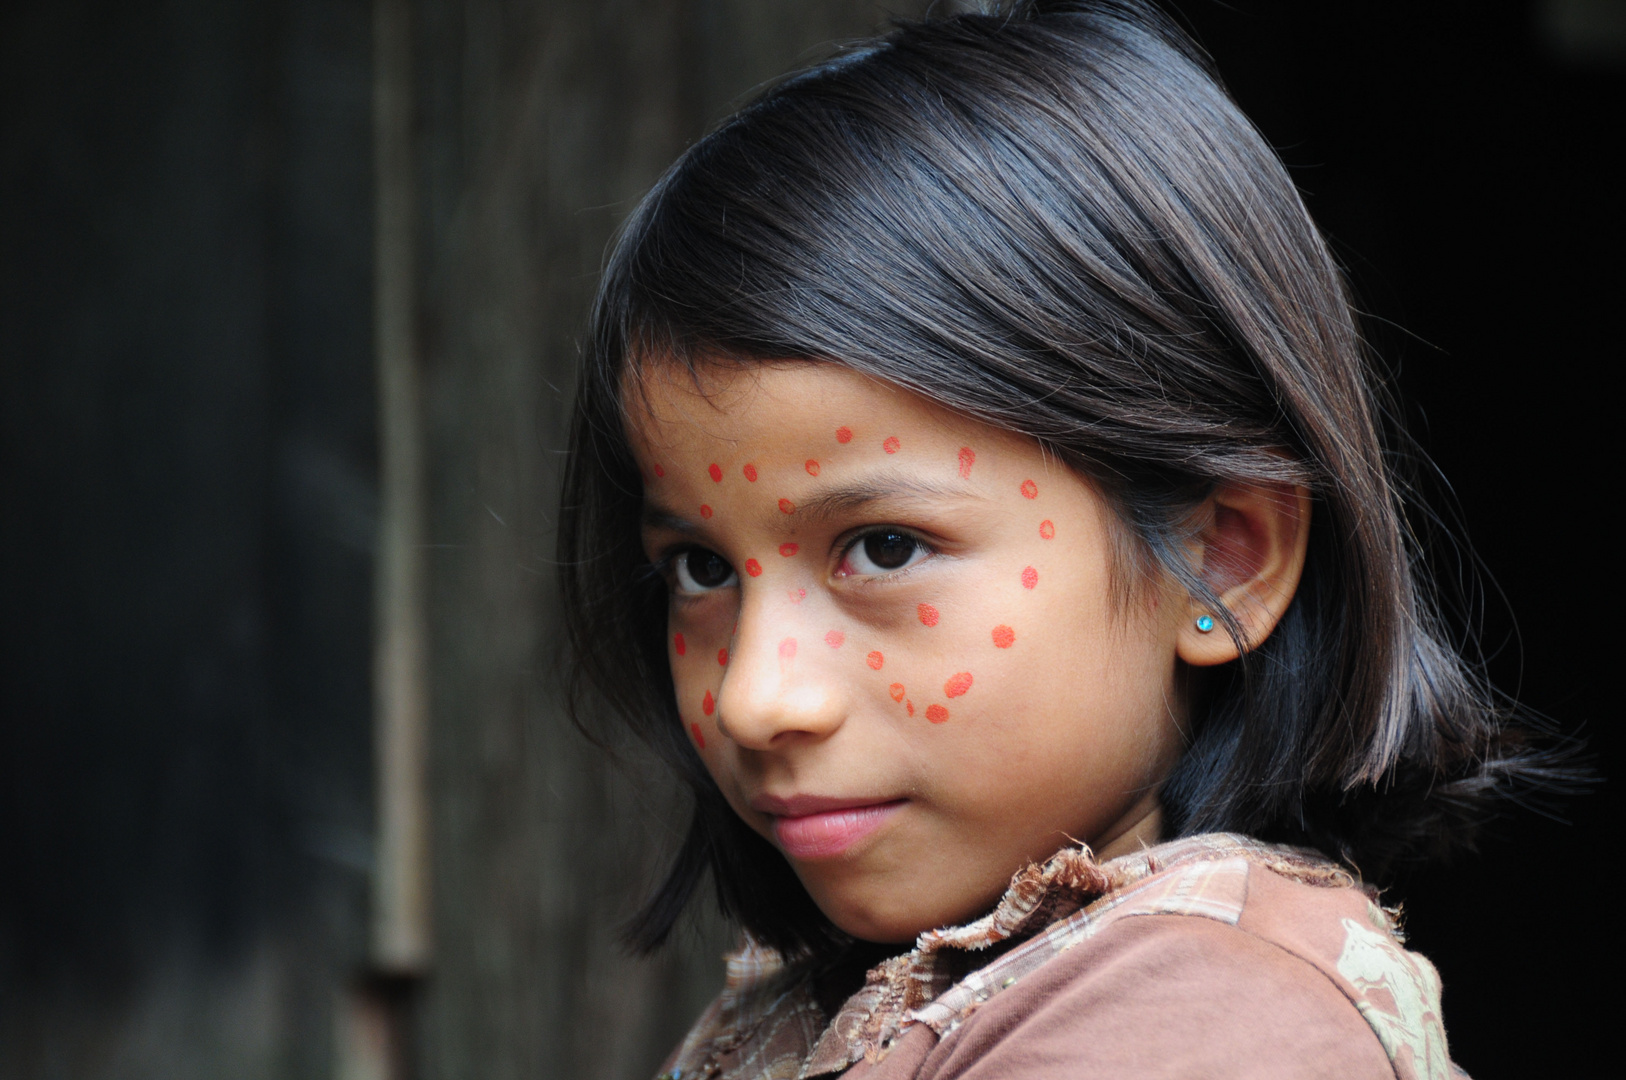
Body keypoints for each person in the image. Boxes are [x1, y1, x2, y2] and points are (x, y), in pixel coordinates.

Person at [557, 2, 1550, 1076]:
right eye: (701, 569)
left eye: (885, 548)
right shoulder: (855, 998)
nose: (755, 697)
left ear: (1226, 557)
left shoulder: (1203, 1022)